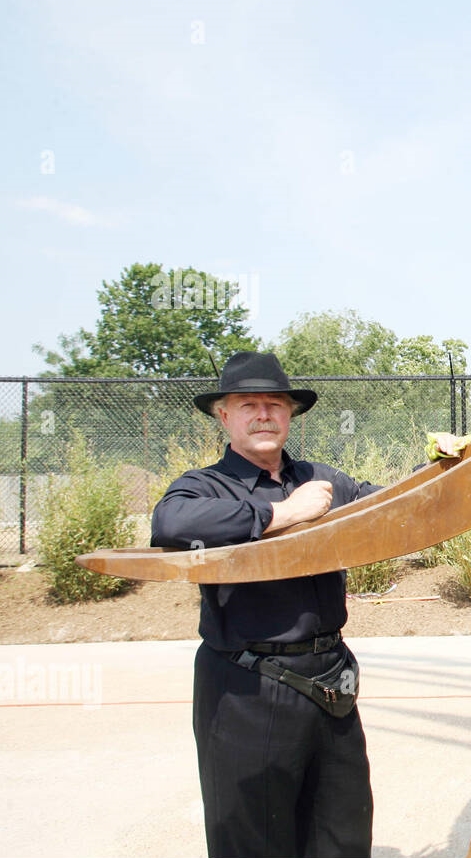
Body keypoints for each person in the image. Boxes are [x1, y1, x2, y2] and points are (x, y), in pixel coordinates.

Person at [151, 351, 379, 858]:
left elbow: (391, 505)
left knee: (342, 831)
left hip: (331, 682)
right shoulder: (203, 486)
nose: (263, 414)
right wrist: (280, 512)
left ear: (290, 414)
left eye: (275, 405)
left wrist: (448, 465)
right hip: (246, 686)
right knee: (253, 838)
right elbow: (171, 526)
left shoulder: (323, 479)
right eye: (248, 404)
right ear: (223, 415)